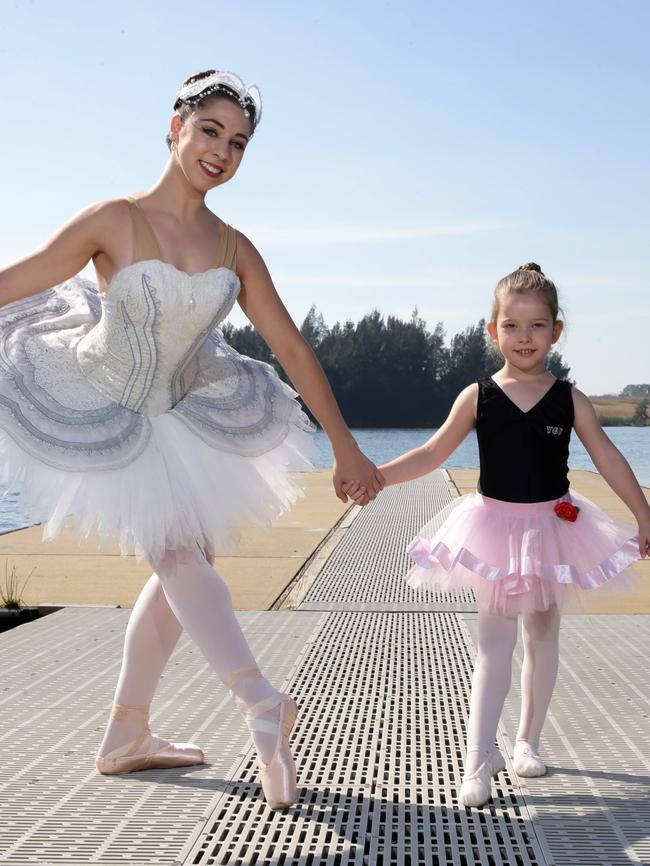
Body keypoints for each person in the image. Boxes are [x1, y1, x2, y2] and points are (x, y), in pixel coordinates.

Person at [0, 69, 384, 810]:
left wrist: (346, 447)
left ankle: (125, 736)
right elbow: (19, 278)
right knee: (180, 557)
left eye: (238, 143)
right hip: (102, 398)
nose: (222, 151)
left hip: (182, 407)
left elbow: (295, 351)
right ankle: (260, 699)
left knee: (185, 563)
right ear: (175, 127)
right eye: (209, 131)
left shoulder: (236, 249)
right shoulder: (113, 219)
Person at [343, 263, 650, 807]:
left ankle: (527, 742)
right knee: (493, 646)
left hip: (554, 529)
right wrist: (378, 477)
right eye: (512, 326)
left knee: (543, 635)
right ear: (493, 331)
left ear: (556, 331)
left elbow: (606, 457)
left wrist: (644, 515)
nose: (524, 337)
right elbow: (433, 453)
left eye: (536, 326)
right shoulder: (477, 395)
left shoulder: (569, 398)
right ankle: (479, 757)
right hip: (494, 528)